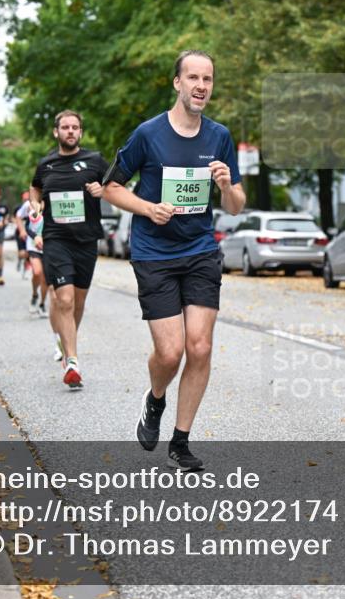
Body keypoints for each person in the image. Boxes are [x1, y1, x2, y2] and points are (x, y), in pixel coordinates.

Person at [100, 50, 245, 471]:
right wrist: (148, 208)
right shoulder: (148, 134)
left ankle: (181, 442)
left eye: (209, 79)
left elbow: (235, 206)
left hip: (200, 250)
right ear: (177, 83)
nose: (202, 86)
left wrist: (225, 186)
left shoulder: (219, 136)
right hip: (154, 254)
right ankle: (155, 400)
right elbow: (111, 188)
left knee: (199, 347)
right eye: (194, 78)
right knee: (171, 352)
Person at [30, 110, 109, 389]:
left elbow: (114, 186)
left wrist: (103, 190)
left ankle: (66, 341)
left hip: (86, 240)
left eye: (75, 127)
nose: (71, 131)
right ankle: (72, 361)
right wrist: (35, 204)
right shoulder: (46, 164)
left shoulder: (94, 160)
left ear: (81, 132)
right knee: (63, 299)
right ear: (56, 132)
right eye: (65, 127)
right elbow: (35, 188)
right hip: (56, 239)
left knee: (78, 301)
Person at [15, 196, 49, 318]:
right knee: (37, 272)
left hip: (49, 246)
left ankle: (42, 304)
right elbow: (22, 220)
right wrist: (23, 231)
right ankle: (35, 295)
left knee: (46, 279)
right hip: (34, 245)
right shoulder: (31, 205)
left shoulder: (54, 202)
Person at [15, 190, 30, 277]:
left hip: (30, 233)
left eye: (27, 199)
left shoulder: (34, 205)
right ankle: (20, 259)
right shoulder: (20, 207)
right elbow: (16, 217)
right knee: (22, 253)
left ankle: (25, 270)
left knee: (28, 253)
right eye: (24, 199)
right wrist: (21, 230)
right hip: (20, 232)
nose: (26, 200)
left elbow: (36, 217)